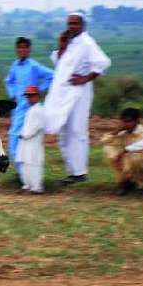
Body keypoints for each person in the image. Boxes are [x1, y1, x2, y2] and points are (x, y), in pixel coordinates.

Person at [43, 12, 111, 185]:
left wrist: (85, 78)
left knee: (77, 130)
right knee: (64, 131)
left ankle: (80, 173)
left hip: (79, 93)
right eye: (69, 23)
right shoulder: (70, 43)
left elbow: (103, 62)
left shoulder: (88, 43)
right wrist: (62, 46)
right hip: (63, 93)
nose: (72, 26)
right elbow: (59, 63)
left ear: (83, 25)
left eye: (75, 23)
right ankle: (72, 172)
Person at [4, 36, 53, 172]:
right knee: (16, 138)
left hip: (30, 109)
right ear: (16, 49)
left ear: (29, 49)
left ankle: (24, 173)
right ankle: (23, 174)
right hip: (17, 108)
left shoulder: (34, 66)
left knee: (19, 138)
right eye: (20, 47)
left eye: (25, 47)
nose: (22, 50)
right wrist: (12, 93)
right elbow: (9, 81)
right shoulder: (15, 65)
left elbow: (51, 76)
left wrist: (39, 90)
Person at [101, 108, 143, 195]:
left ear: (137, 121)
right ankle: (126, 182)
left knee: (134, 157)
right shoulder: (123, 133)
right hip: (130, 166)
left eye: (128, 121)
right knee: (108, 149)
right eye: (123, 121)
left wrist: (124, 152)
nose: (125, 124)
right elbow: (104, 141)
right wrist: (116, 131)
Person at [16, 86, 46, 193]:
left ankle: (36, 187)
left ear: (38, 96)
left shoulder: (39, 110)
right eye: (28, 96)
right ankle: (27, 185)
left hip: (34, 142)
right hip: (26, 142)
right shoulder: (32, 110)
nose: (29, 98)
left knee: (34, 164)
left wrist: (25, 135)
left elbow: (37, 126)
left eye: (31, 96)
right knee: (25, 163)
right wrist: (23, 134)